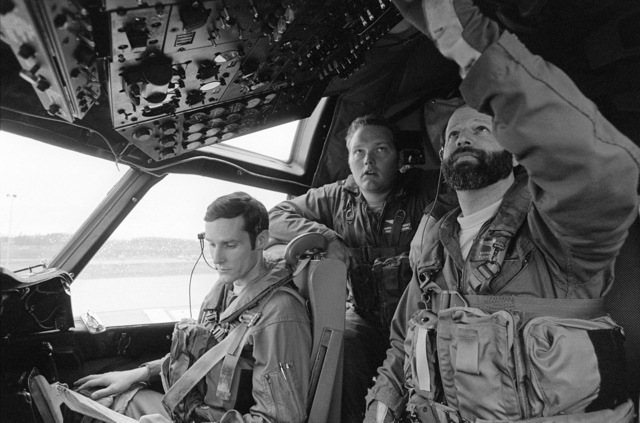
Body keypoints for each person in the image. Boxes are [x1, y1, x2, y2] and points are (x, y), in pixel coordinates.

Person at [364, 1, 640, 422]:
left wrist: (469, 46)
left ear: (514, 150)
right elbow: (404, 341)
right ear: (442, 156)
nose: (464, 138)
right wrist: (379, 412)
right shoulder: (434, 250)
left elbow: (602, 171)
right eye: (454, 134)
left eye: (481, 128)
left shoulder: (558, 236)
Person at [268, 115, 453, 423]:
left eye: (380, 150)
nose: (368, 161)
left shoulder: (424, 188)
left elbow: (459, 190)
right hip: (365, 316)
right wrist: (327, 237)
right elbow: (276, 214)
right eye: (359, 152)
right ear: (350, 158)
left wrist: (433, 221)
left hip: (416, 318)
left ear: (399, 157)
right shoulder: (335, 197)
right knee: (341, 348)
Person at [71, 192, 312, 423]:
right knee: (100, 399)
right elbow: (201, 357)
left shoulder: (280, 315)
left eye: (229, 245)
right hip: (194, 409)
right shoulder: (224, 289)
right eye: (211, 244)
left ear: (260, 241)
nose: (217, 259)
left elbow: (278, 419)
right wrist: (139, 374)